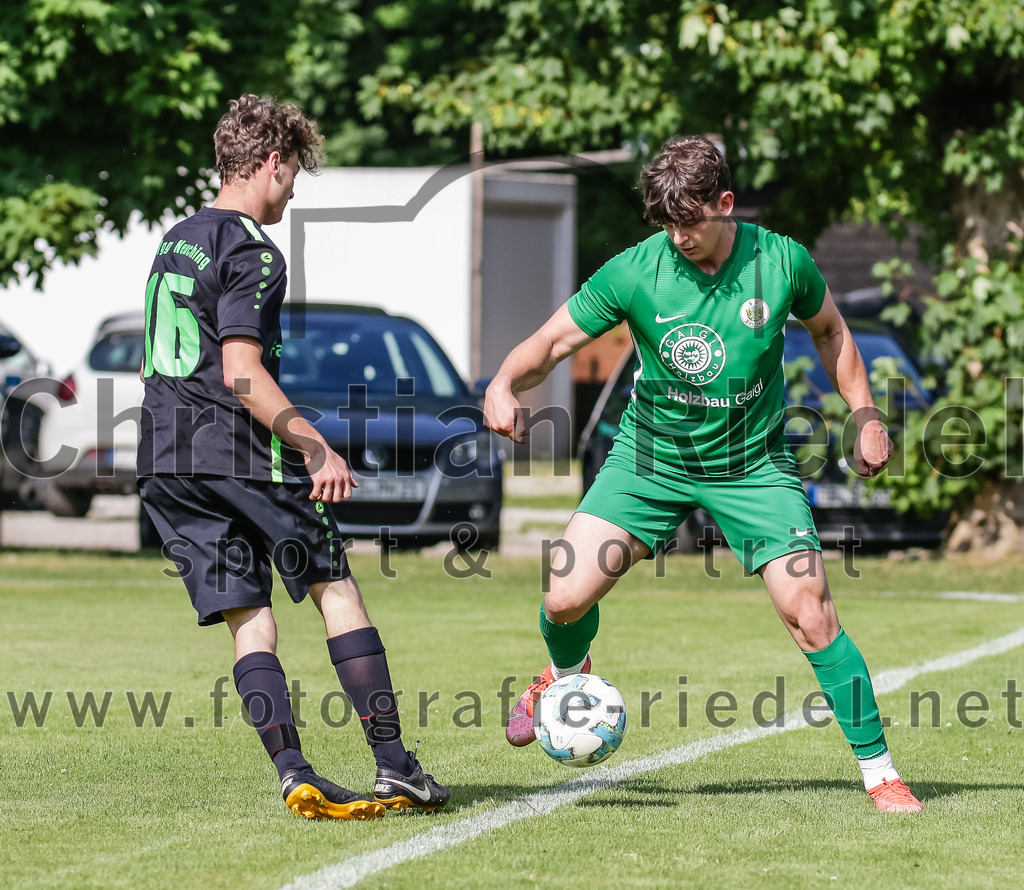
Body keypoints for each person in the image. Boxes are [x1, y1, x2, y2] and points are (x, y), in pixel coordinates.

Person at [484, 136, 922, 814]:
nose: (679, 236)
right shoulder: (636, 271)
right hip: (650, 459)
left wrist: (863, 412)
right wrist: (505, 382)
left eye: (691, 220)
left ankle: (881, 773)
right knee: (564, 598)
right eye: (667, 223)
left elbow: (831, 330)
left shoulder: (782, 263)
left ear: (726, 203)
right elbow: (553, 342)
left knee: (809, 611)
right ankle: (567, 675)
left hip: (753, 465)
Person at [137, 94, 448, 820]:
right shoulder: (250, 248)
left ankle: (292, 769)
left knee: (249, 618)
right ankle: (396, 766)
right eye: (295, 173)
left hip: (166, 460)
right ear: (271, 162)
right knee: (335, 588)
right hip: (242, 455)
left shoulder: (176, 239)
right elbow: (242, 370)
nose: (295, 189)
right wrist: (312, 444)